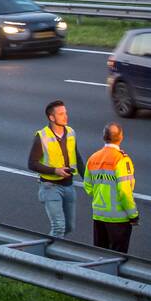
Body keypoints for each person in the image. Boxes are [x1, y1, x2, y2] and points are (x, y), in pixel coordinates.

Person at [28, 100, 85, 238]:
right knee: (59, 227)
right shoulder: (42, 136)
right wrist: (55, 171)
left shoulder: (71, 132)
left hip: (69, 186)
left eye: (65, 113)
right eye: (61, 114)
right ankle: (48, 258)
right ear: (51, 118)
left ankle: (55, 250)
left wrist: (88, 180)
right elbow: (32, 164)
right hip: (50, 187)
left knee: (69, 227)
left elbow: (77, 157)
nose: (65, 116)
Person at [84, 122, 138, 253]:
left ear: (104, 137)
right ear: (121, 137)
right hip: (118, 218)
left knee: (100, 256)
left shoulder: (93, 158)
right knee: (117, 257)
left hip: (99, 215)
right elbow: (125, 191)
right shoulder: (121, 160)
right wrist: (133, 215)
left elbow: (88, 187)